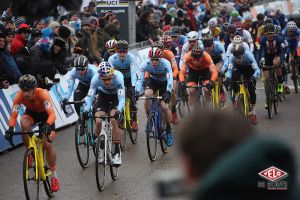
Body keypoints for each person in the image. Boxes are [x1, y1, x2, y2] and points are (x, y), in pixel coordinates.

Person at [5, 74, 60, 192]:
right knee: (23, 123)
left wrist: (47, 125)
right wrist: (10, 128)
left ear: (34, 88)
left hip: (46, 117)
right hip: (32, 114)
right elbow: (13, 115)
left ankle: (54, 177)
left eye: (28, 90)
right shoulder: (19, 96)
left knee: (47, 143)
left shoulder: (43, 94)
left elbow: (52, 115)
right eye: (23, 89)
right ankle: (29, 151)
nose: (26, 93)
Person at [83, 62, 125, 165]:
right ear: (100, 77)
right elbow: (90, 96)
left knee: (113, 120)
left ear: (112, 75)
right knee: (98, 121)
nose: (107, 81)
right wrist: (86, 110)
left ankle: (117, 151)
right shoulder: (95, 79)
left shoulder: (118, 77)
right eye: (104, 79)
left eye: (109, 79)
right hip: (103, 96)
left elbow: (121, 97)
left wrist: (119, 110)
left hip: (116, 97)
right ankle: (100, 147)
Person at [136, 47, 174, 146]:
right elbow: (140, 79)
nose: (153, 62)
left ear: (160, 59)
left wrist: (169, 92)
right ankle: (150, 119)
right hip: (153, 81)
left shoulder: (166, 63)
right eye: (152, 59)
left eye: (156, 60)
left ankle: (169, 130)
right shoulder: (145, 64)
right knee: (147, 95)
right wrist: (136, 91)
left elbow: (170, 79)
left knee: (164, 107)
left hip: (164, 84)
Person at [108, 40, 139, 131]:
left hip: (129, 79)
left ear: (127, 51)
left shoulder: (131, 58)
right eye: (120, 52)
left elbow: (133, 73)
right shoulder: (112, 59)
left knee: (132, 97)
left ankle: (134, 120)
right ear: (116, 51)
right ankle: (120, 117)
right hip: (118, 79)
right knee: (117, 98)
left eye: (124, 51)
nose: (122, 54)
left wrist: (133, 86)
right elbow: (111, 74)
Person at [225, 45, 260, 125]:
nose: (238, 59)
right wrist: (227, 78)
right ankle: (236, 96)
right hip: (238, 68)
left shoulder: (249, 56)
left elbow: (257, 70)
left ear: (243, 54)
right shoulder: (232, 57)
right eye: (236, 57)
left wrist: (254, 77)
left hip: (249, 69)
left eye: (239, 57)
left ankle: (253, 112)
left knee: (251, 90)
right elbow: (229, 71)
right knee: (234, 79)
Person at [258, 23, 286, 108]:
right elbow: (260, 52)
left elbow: (282, 52)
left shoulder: (279, 39)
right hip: (267, 56)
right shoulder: (262, 40)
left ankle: (280, 83)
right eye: (267, 34)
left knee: (276, 63)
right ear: (265, 34)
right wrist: (260, 60)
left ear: (274, 33)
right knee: (266, 79)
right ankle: (267, 98)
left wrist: (281, 61)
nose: (269, 36)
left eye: (271, 33)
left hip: (276, 55)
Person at [202, 34, 227, 105]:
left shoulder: (219, 46)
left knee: (216, 71)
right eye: (206, 46)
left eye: (209, 46)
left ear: (213, 44)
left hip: (217, 61)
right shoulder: (201, 48)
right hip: (207, 62)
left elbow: (225, 59)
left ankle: (221, 90)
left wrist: (223, 70)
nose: (208, 48)